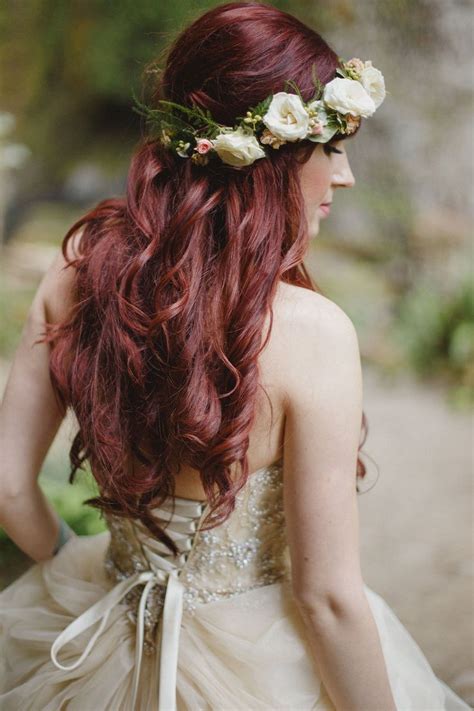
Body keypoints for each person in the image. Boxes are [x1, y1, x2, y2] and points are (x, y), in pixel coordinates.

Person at [0, 2, 470, 710]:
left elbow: (8, 487)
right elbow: (327, 599)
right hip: (261, 668)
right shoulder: (315, 333)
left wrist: (74, 559)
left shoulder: (73, 278)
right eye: (332, 147)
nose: (344, 177)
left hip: (95, 626)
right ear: (272, 157)